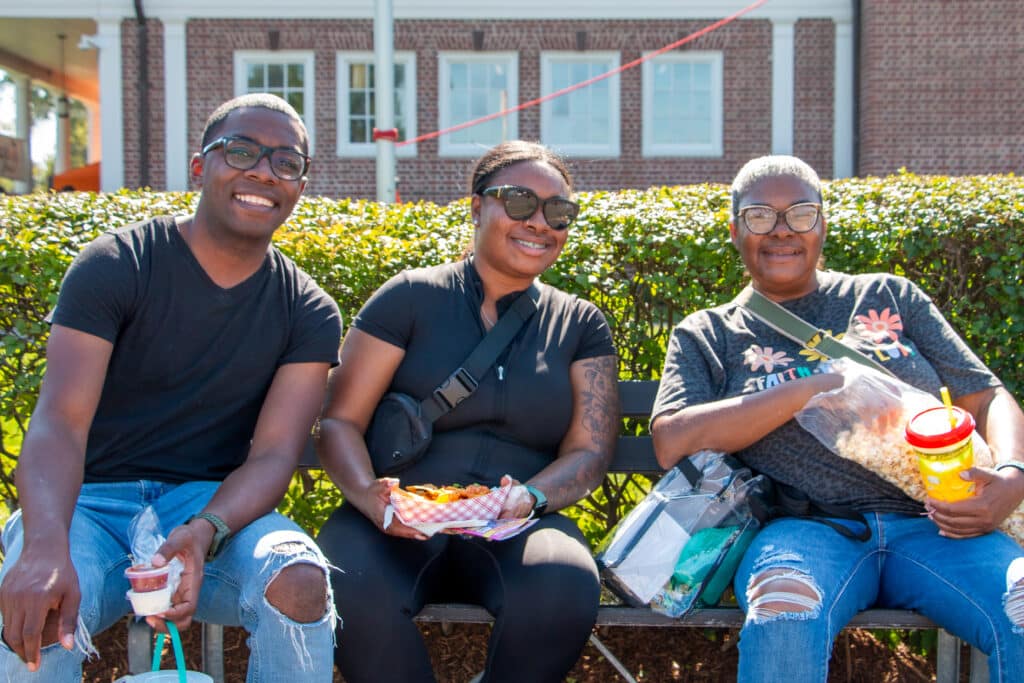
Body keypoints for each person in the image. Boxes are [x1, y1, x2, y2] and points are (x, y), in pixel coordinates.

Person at [0, 93, 342, 682]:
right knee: (39, 602)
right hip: (87, 505)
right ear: (199, 166)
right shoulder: (116, 264)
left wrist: (207, 529)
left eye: (287, 162)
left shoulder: (308, 310)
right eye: (241, 151)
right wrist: (44, 544)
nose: (264, 170)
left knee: (300, 582)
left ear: (300, 187)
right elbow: (59, 422)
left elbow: (274, 454)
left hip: (209, 508)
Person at [650, 154, 1024, 682]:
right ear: (735, 230)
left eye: (800, 214)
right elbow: (672, 438)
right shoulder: (709, 333)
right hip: (804, 531)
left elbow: (985, 397)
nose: (782, 231)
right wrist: (818, 387)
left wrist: (1012, 476)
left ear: (822, 224)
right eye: (760, 216)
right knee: (785, 612)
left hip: (938, 525)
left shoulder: (887, 295)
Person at [315, 140, 619, 682]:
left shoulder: (580, 324)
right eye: (520, 202)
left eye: (559, 211)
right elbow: (340, 420)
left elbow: (589, 451)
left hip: (514, 525)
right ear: (476, 207)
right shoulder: (410, 297)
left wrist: (533, 496)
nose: (541, 222)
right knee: (346, 579)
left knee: (564, 584)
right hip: (397, 521)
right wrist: (369, 496)